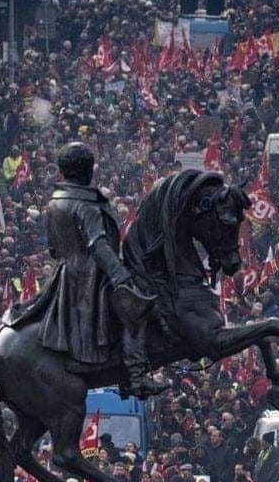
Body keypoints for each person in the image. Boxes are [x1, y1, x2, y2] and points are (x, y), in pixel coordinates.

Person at [13, 142, 167, 398]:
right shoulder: (85, 204)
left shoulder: (55, 202)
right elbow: (98, 244)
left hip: (64, 274)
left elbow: (53, 249)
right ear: (88, 170)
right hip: (93, 277)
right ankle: (137, 377)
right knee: (134, 308)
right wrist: (121, 276)